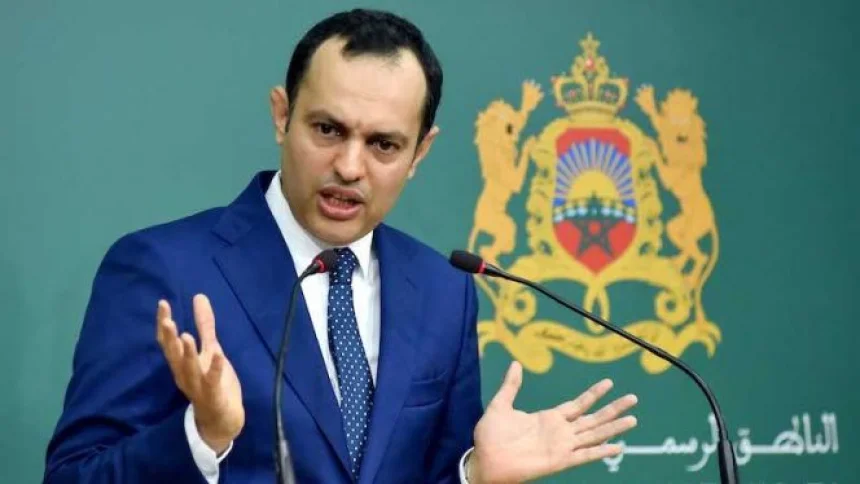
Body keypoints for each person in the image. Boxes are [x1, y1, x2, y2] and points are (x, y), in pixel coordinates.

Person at [44, 8, 638, 483]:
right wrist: (202, 437)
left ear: (420, 152)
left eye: (384, 144)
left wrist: (473, 475)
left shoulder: (444, 292)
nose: (350, 166)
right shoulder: (162, 269)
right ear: (282, 116)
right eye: (328, 130)